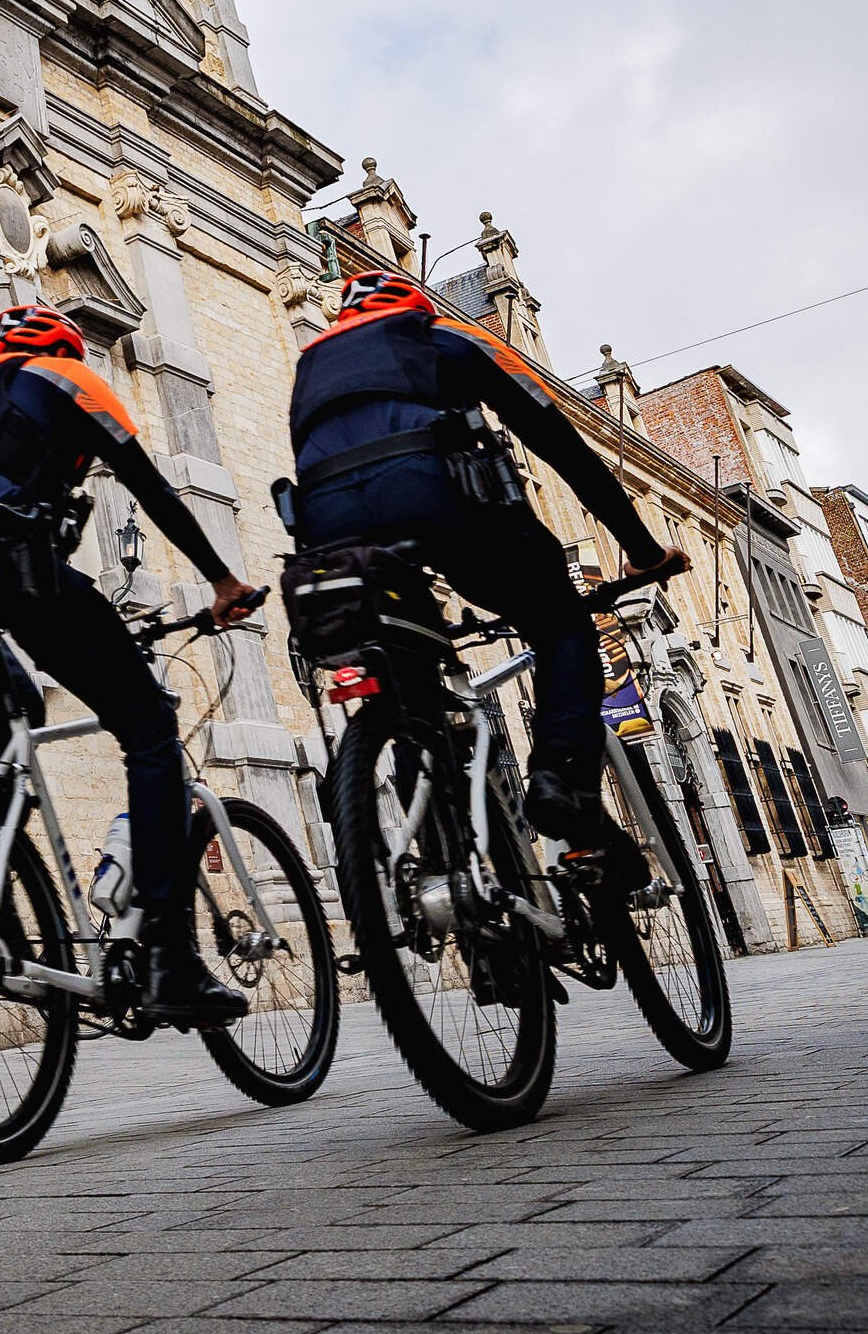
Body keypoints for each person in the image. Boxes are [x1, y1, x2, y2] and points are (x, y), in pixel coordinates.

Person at [0, 302, 263, 1027]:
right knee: (149, 726)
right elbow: (148, 487)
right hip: (2, 562)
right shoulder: (64, 375)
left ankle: (1, 922)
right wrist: (222, 582)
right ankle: (167, 957)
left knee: (12, 713)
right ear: (67, 349)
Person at [281, 270, 687, 883]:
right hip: (431, 495)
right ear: (414, 306)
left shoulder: (311, 363)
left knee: (405, 675)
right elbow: (561, 443)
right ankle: (560, 785)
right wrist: (641, 547)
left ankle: (470, 910)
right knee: (559, 621)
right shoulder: (449, 334)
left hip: (327, 528)